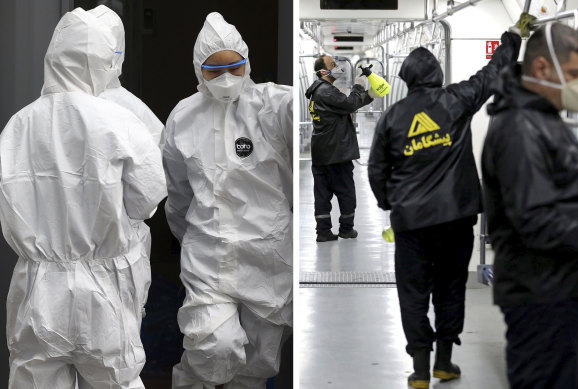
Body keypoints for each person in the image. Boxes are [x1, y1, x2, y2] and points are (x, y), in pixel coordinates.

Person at [0, 7, 166, 389]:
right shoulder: (121, 122)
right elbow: (146, 201)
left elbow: (10, 210)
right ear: (104, 63)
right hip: (104, 289)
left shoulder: (18, 126)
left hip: (38, 289)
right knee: (114, 380)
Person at [368, 29, 521, 388]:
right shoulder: (458, 99)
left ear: (406, 79)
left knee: (413, 292)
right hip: (455, 217)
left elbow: (377, 169)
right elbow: (493, 72)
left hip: (411, 224)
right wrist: (513, 39)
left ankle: (420, 371)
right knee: (451, 288)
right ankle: (445, 363)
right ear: (437, 74)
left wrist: (389, 201)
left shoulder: (392, 117)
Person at [162, 12, 292, 389]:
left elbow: (300, 112)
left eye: (234, 68)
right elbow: (177, 192)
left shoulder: (271, 104)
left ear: (247, 63)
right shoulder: (183, 117)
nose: (225, 79)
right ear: (197, 71)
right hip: (209, 259)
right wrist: (191, 238)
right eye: (212, 71)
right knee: (211, 347)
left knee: (257, 363)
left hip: (267, 257)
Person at [481, 23, 578, 389]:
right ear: (542, 68)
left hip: (559, 287)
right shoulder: (520, 128)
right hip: (542, 294)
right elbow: (537, 219)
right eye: (575, 74)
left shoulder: (542, 117)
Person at [305, 55, 375, 242]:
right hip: (336, 152)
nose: (337, 67)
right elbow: (349, 104)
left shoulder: (318, 91)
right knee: (346, 193)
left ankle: (323, 231)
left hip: (321, 151)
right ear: (322, 72)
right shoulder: (326, 91)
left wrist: (368, 97)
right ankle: (346, 229)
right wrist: (360, 86)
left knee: (322, 194)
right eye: (332, 65)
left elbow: (344, 107)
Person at [92, 5, 164, 148]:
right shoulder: (57, 104)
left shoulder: (134, 109)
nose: (105, 59)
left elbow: (155, 160)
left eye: (112, 52)